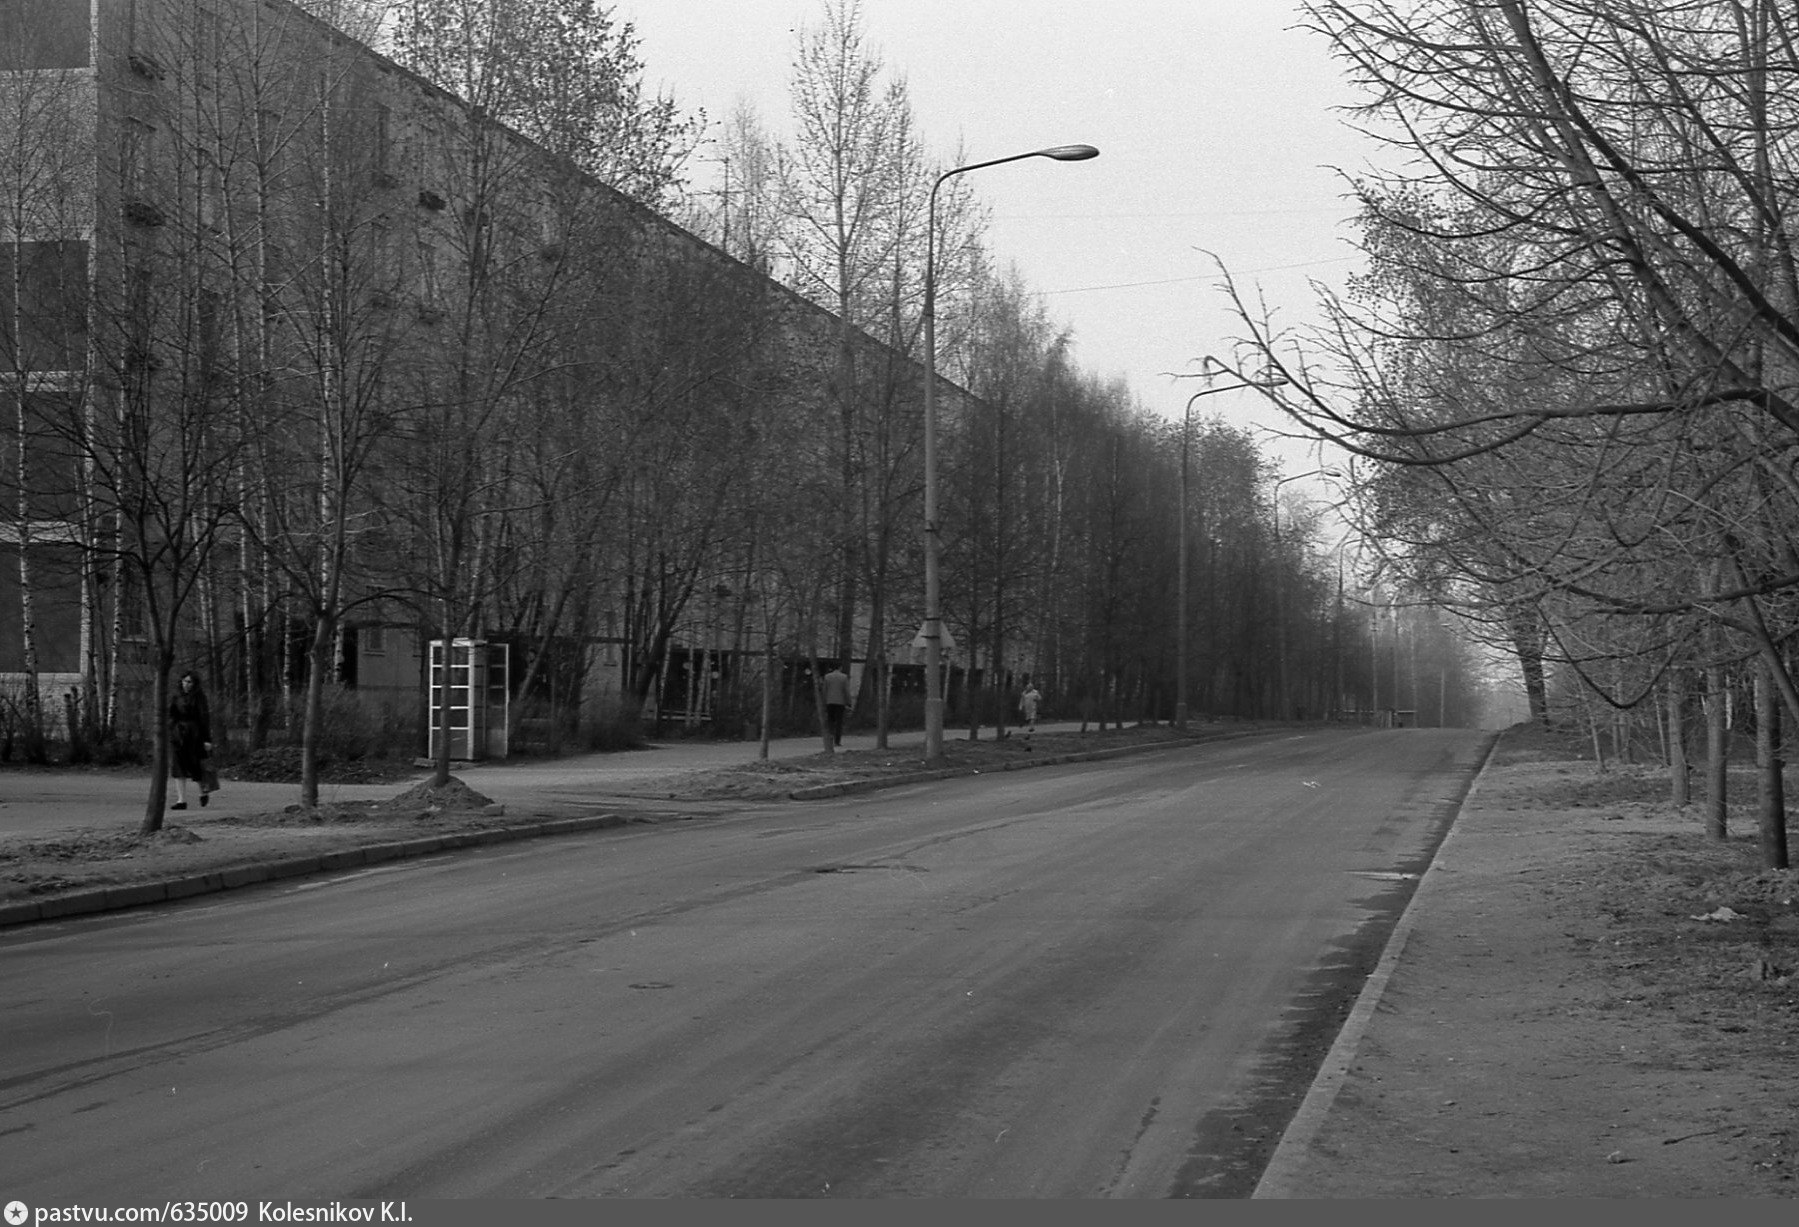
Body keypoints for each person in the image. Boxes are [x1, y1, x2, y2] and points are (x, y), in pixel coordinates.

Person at [168, 670, 213, 810]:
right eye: (184, 681)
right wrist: (172, 729)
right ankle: (182, 800)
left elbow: (204, 718)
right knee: (178, 767)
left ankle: (203, 791)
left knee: (196, 766)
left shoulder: (199, 698)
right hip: (179, 734)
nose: (186, 684)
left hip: (195, 735)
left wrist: (207, 739)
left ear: (194, 684)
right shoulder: (176, 696)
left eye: (189, 682)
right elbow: (171, 714)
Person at [821, 663, 851, 747]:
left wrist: (824, 701)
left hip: (829, 701)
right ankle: (837, 741)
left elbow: (824, 690)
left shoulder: (827, 677)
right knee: (839, 722)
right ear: (840, 668)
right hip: (840, 702)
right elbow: (846, 691)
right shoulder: (844, 677)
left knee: (830, 721)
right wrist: (849, 702)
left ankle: (829, 738)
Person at [1019, 677, 1042, 750]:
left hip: (1033, 706)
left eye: (1030, 687)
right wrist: (1020, 706)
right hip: (1026, 707)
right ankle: (1025, 725)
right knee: (1028, 718)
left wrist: (1037, 699)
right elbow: (1022, 700)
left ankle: (1031, 727)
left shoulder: (1035, 692)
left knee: (1032, 717)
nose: (1029, 688)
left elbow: (1039, 698)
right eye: (1028, 687)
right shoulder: (1024, 693)